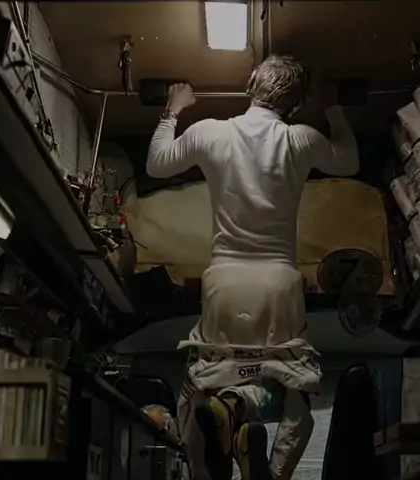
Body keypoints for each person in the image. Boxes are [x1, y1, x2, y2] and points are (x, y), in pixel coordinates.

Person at [146, 55, 359, 480]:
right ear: (294, 106)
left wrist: (173, 109)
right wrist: (334, 107)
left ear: (249, 84)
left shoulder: (211, 133)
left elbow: (156, 163)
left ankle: (219, 436)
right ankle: (270, 467)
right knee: (293, 383)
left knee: (206, 378)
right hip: (278, 281)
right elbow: (349, 161)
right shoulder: (300, 139)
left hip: (225, 279)